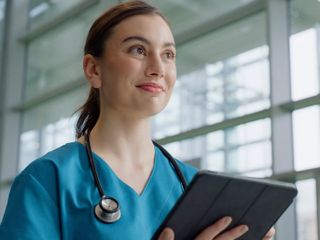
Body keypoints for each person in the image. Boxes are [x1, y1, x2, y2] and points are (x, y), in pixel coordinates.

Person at [0, 1, 275, 239]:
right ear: (94, 69)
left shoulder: (194, 187)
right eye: (138, 51)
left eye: (168, 55)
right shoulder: (48, 180)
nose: (158, 69)